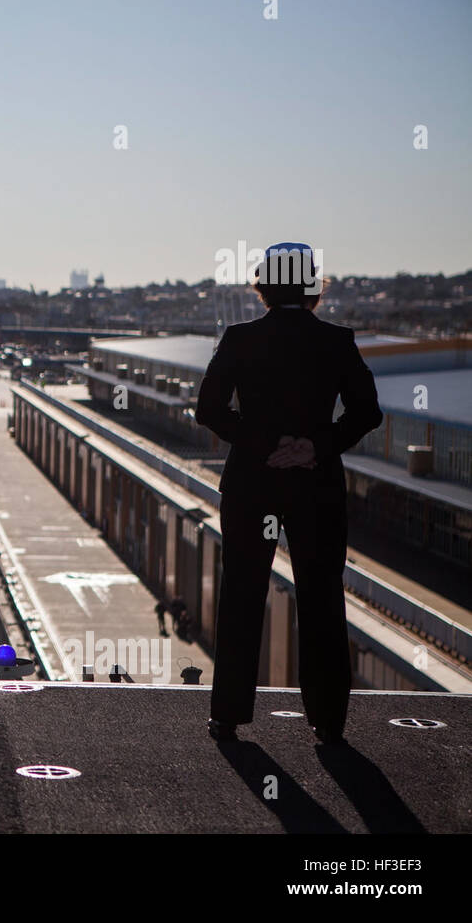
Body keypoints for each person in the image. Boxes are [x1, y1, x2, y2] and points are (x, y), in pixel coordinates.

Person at [195, 243, 383, 744]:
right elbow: (367, 413)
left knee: (242, 594)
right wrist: (312, 447)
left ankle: (228, 715)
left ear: (263, 287)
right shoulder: (337, 341)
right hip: (316, 486)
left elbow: (208, 410)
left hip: (252, 483)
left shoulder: (239, 339)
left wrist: (266, 445)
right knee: (321, 597)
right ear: (313, 288)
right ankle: (327, 721)